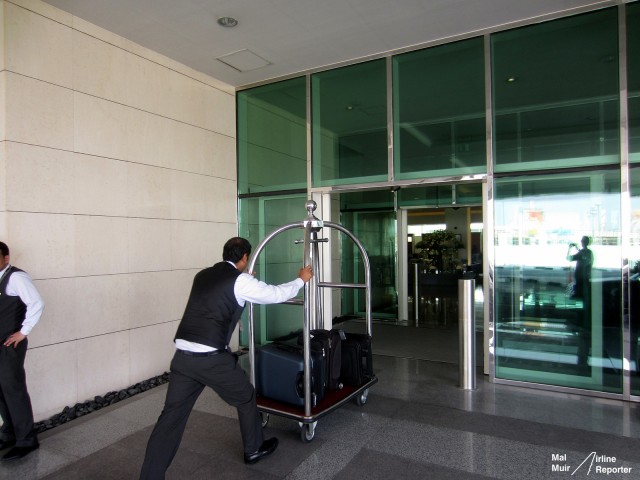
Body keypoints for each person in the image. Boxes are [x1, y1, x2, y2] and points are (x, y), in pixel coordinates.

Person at [140, 237, 313, 479]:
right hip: (211, 359)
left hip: (182, 359)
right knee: (246, 396)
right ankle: (253, 449)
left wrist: (246, 283)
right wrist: (300, 280)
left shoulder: (202, 275)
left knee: (170, 420)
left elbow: (216, 303)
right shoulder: (240, 281)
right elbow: (274, 295)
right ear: (245, 258)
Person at [0, 241, 44, 461]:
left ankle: (26, 440)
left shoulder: (16, 278)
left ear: (6, 258)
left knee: (13, 390)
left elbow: (36, 303)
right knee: (1, 391)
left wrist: (23, 332)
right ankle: (8, 434)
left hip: (10, 344)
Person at [566, 236, 593, 301]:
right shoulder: (589, 252)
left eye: (582, 241)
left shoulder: (582, 253)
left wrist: (569, 249)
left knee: (579, 295)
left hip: (580, 276)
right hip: (586, 276)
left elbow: (569, 258)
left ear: (583, 242)